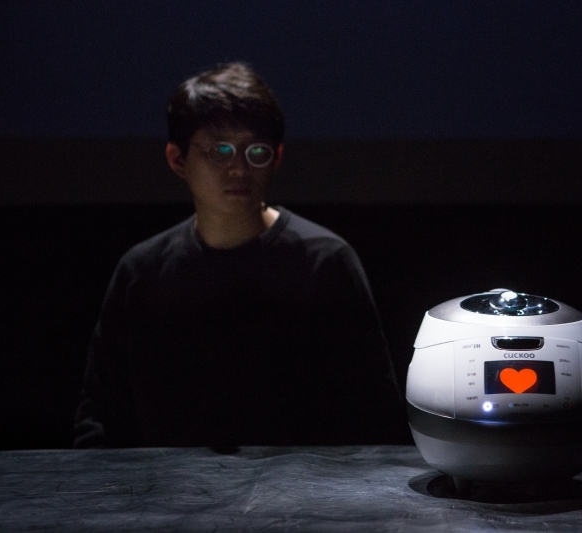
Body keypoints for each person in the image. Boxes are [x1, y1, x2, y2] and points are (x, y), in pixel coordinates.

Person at [74, 62, 404, 448]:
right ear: (177, 159)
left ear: (277, 158)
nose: (239, 169)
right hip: (165, 502)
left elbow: (374, 419)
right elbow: (99, 422)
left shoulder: (325, 264)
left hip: (302, 501)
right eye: (220, 151)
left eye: (257, 151)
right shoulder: (142, 273)